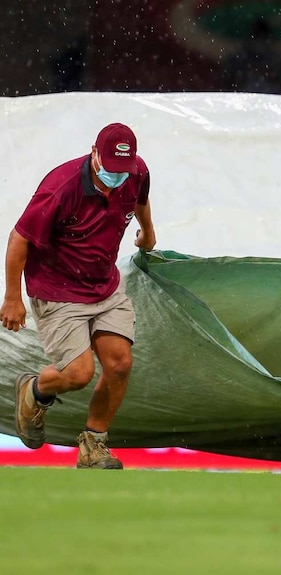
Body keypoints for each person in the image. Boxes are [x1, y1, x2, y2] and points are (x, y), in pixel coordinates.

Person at [1, 123, 156, 469]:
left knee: (120, 363)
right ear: (94, 153)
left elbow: (140, 199)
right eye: (111, 170)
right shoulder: (62, 187)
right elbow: (19, 238)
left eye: (124, 170)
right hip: (58, 289)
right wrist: (13, 298)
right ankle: (34, 390)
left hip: (104, 284)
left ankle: (94, 446)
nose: (117, 177)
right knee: (79, 374)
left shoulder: (137, 171)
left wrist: (147, 232)